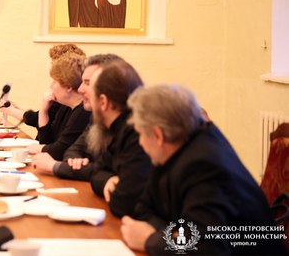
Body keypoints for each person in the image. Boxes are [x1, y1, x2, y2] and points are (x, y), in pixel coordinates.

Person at [121, 84, 286, 255]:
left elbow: (206, 248)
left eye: (140, 134)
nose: (140, 142)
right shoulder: (172, 149)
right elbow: (143, 209)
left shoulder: (205, 165)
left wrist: (150, 239)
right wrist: (174, 236)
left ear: (158, 135)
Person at [78, 59, 152, 217]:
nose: (81, 90)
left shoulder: (137, 133)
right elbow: (96, 174)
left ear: (103, 102)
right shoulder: (113, 128)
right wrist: (109, 180)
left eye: (90, 90)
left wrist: (113, 183)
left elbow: (124, 204)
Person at [31, 53, 122, 179]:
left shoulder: (131, 125)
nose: (80, 89)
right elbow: (72, 151)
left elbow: (106, 171)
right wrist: (74, 160)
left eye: (88, 83)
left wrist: (55, 166)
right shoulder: (96, 117)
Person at [25, 53, 91, 160]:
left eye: (55, 81)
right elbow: (48, 142)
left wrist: (39, 148)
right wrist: (43, 112)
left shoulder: (84, 111)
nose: (51, 86)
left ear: (68, 87)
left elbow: (60, 150)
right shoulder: (65, 106)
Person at [2, 43, 85, 124]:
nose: (52, 68)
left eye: (54, 64)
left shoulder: (67, 94)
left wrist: (12, 111)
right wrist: (18, 110)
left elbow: (40, 119)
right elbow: (44, 117)